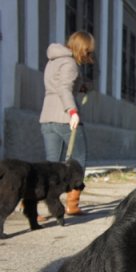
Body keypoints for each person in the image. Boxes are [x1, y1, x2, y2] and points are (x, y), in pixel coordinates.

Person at [39, 31, 94, 216]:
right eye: (88, 50)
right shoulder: (70, 63)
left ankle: (32, 201)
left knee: (50, 165)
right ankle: (72, 203)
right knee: (79, 159)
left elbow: (57, 86)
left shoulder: (53, 59)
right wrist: (72, 112)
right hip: (65, 117)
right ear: (82, 47)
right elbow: (64, 88)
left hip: (47, 116)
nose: (89, 54)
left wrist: (80, 86)